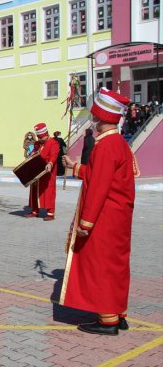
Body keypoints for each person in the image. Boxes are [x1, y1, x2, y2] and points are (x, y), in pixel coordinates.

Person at [60, 87, 137, 336]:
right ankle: (118, 313)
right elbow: (100, 175)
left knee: (101, 266)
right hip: (118, 217)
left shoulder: (105, 146)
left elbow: (99, 187)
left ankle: (107, 320)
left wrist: (86, 221)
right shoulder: (118, 144)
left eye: (96, 116)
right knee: (116, 265)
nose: (93, 119)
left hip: (104, 216)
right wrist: (76, 167)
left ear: (102, 118)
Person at [24, 123, 60, 221]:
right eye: (39, 137)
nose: (40, 140)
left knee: (49, 191)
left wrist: (50, 163)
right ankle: (35, 211)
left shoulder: (53, 142)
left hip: (47, 172)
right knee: (34, 190)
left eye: (41, 138)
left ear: (46, 134)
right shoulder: (37, 143)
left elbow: (54, 155)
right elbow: (33, 153)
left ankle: (50, 213)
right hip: (37, 171)